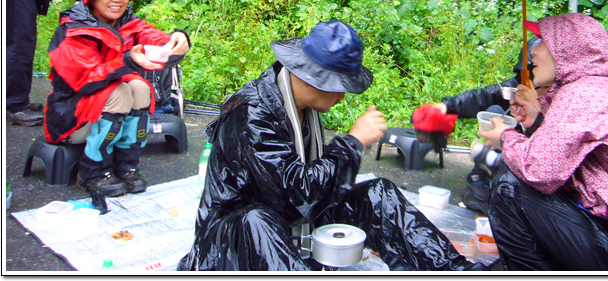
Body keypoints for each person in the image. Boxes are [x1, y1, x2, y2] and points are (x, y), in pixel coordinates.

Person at [178, 20, 485, 271]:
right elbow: (296, 196)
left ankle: (452, 271)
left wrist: (348, 149)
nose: (343, 96)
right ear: (313, 77)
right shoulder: (251, 113)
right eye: (340, 87)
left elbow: (314, 188)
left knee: (378, 193)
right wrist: (352, 143)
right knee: (255, 220)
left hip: (289, 220)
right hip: (234, 237)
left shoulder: (301, 104)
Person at [480, 13, 608, 271]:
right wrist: (535, 121)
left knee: (510, 187)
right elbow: (566, 155)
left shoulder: (582, 96)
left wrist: (504, 136)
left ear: (565, 49)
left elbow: (538, 171)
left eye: (542, 42)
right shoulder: (594, 88)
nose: (532, 54)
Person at [44, 0, 190, 197]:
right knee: (119, 92)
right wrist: (128, 62)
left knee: (141, 88)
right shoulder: (72, 30)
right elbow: (85, 80)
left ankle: (126, 167)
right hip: (70, 117)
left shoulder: (127, 22)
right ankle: (92, 172)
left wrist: (177, 41)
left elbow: (153, 37)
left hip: (103, 111)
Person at [428, 36, 544, 212]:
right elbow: (486, 96)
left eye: (533, 70)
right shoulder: (520, 84)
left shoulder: (566, 98)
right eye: (525, 73)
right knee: (496, 110)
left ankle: (495, 164)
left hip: (540, 169)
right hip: (517, 150)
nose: (527, 80)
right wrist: (448, 106)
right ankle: (481, 179)